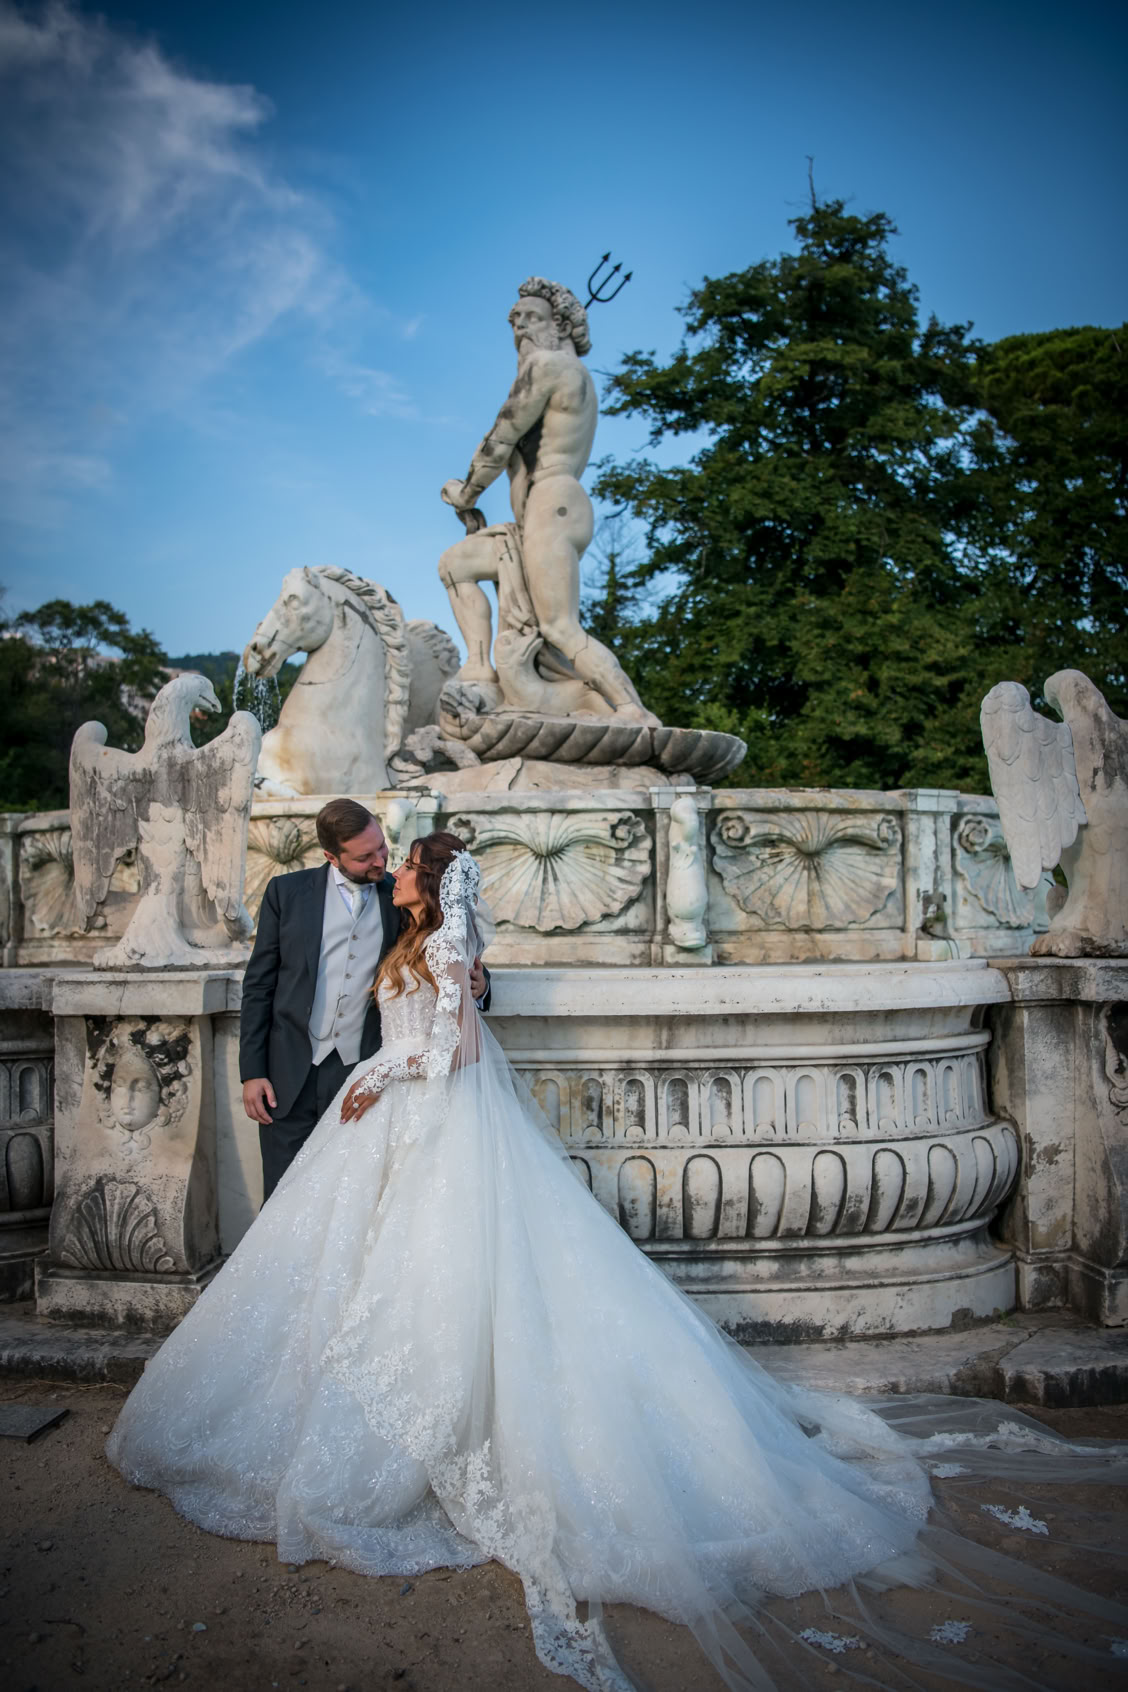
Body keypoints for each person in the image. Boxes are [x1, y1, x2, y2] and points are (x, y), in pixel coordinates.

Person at [109, 832, 1128, 1692]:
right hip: (388, 1120)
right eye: (382, 866)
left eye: (401, 869)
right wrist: (379, 1072)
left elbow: (457, 1048)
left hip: (426, 1117)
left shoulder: (445, 936)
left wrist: (388, 1073)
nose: (390, 879)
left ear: (425, 878)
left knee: (444, 1282)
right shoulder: (407, 927)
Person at [239, 799, 489, 1200]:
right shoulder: (286, 893)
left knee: (350, 1201)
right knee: (283, 1199)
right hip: (286, 1073)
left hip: (361, 1069)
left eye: (382, 849)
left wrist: (481, 981)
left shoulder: (402, 894)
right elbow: (258, 985)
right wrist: (252, 1071)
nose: (382, 863)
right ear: (331, 856)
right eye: (365, 857)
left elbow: (447, 941)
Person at [438, 277, 656, 723]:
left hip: (553, 504)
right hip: (537, 512)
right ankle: (480, 668)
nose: (519, 328)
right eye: (514, 320)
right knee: (456, 564)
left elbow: (502, 436)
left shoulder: (551, 366)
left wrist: (466, 492)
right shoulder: (564, 371)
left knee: (559, 626)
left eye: (531, 317)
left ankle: (633, 710)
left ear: (561, 325)